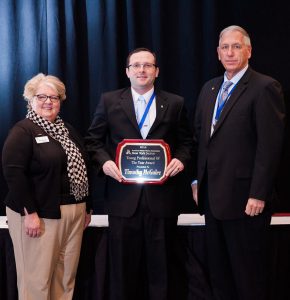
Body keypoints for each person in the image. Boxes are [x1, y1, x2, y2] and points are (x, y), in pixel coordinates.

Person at [85, 48, 192, 300]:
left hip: (162, 199)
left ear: (156, 71)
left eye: (147, 65)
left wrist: (180, 159)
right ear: (127, 71)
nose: (141, 70)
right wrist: (105, 163)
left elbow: (188, 142)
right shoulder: (110, 101)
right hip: (123, 200)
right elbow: (93, 141)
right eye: (136, 66)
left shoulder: (175, 103)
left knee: (162, 269)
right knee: (122, 270)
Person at [191, 25, 285, 300]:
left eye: (236, 46)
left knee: (248, 277)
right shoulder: (209, 89)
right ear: (218, 53)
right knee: (219, 276)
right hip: (212, 200)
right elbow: (201, 141)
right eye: (225, 47)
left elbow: (270, 146)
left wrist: (258, 193)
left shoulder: (265, 87)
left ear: (249, 51)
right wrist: (198, 181)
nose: (230, 52)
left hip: (246, 202)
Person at [2, 73, 92, 300]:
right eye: (42, 96)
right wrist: (29, 212)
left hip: (73, 213)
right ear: (30, 99)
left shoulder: (68, 130)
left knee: (65, 279)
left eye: (54, 97)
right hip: (39, 214)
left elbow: (83, 168)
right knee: (36, 282)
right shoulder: (23, 131)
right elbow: (14, 174)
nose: (48, 102)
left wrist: (86, 208)